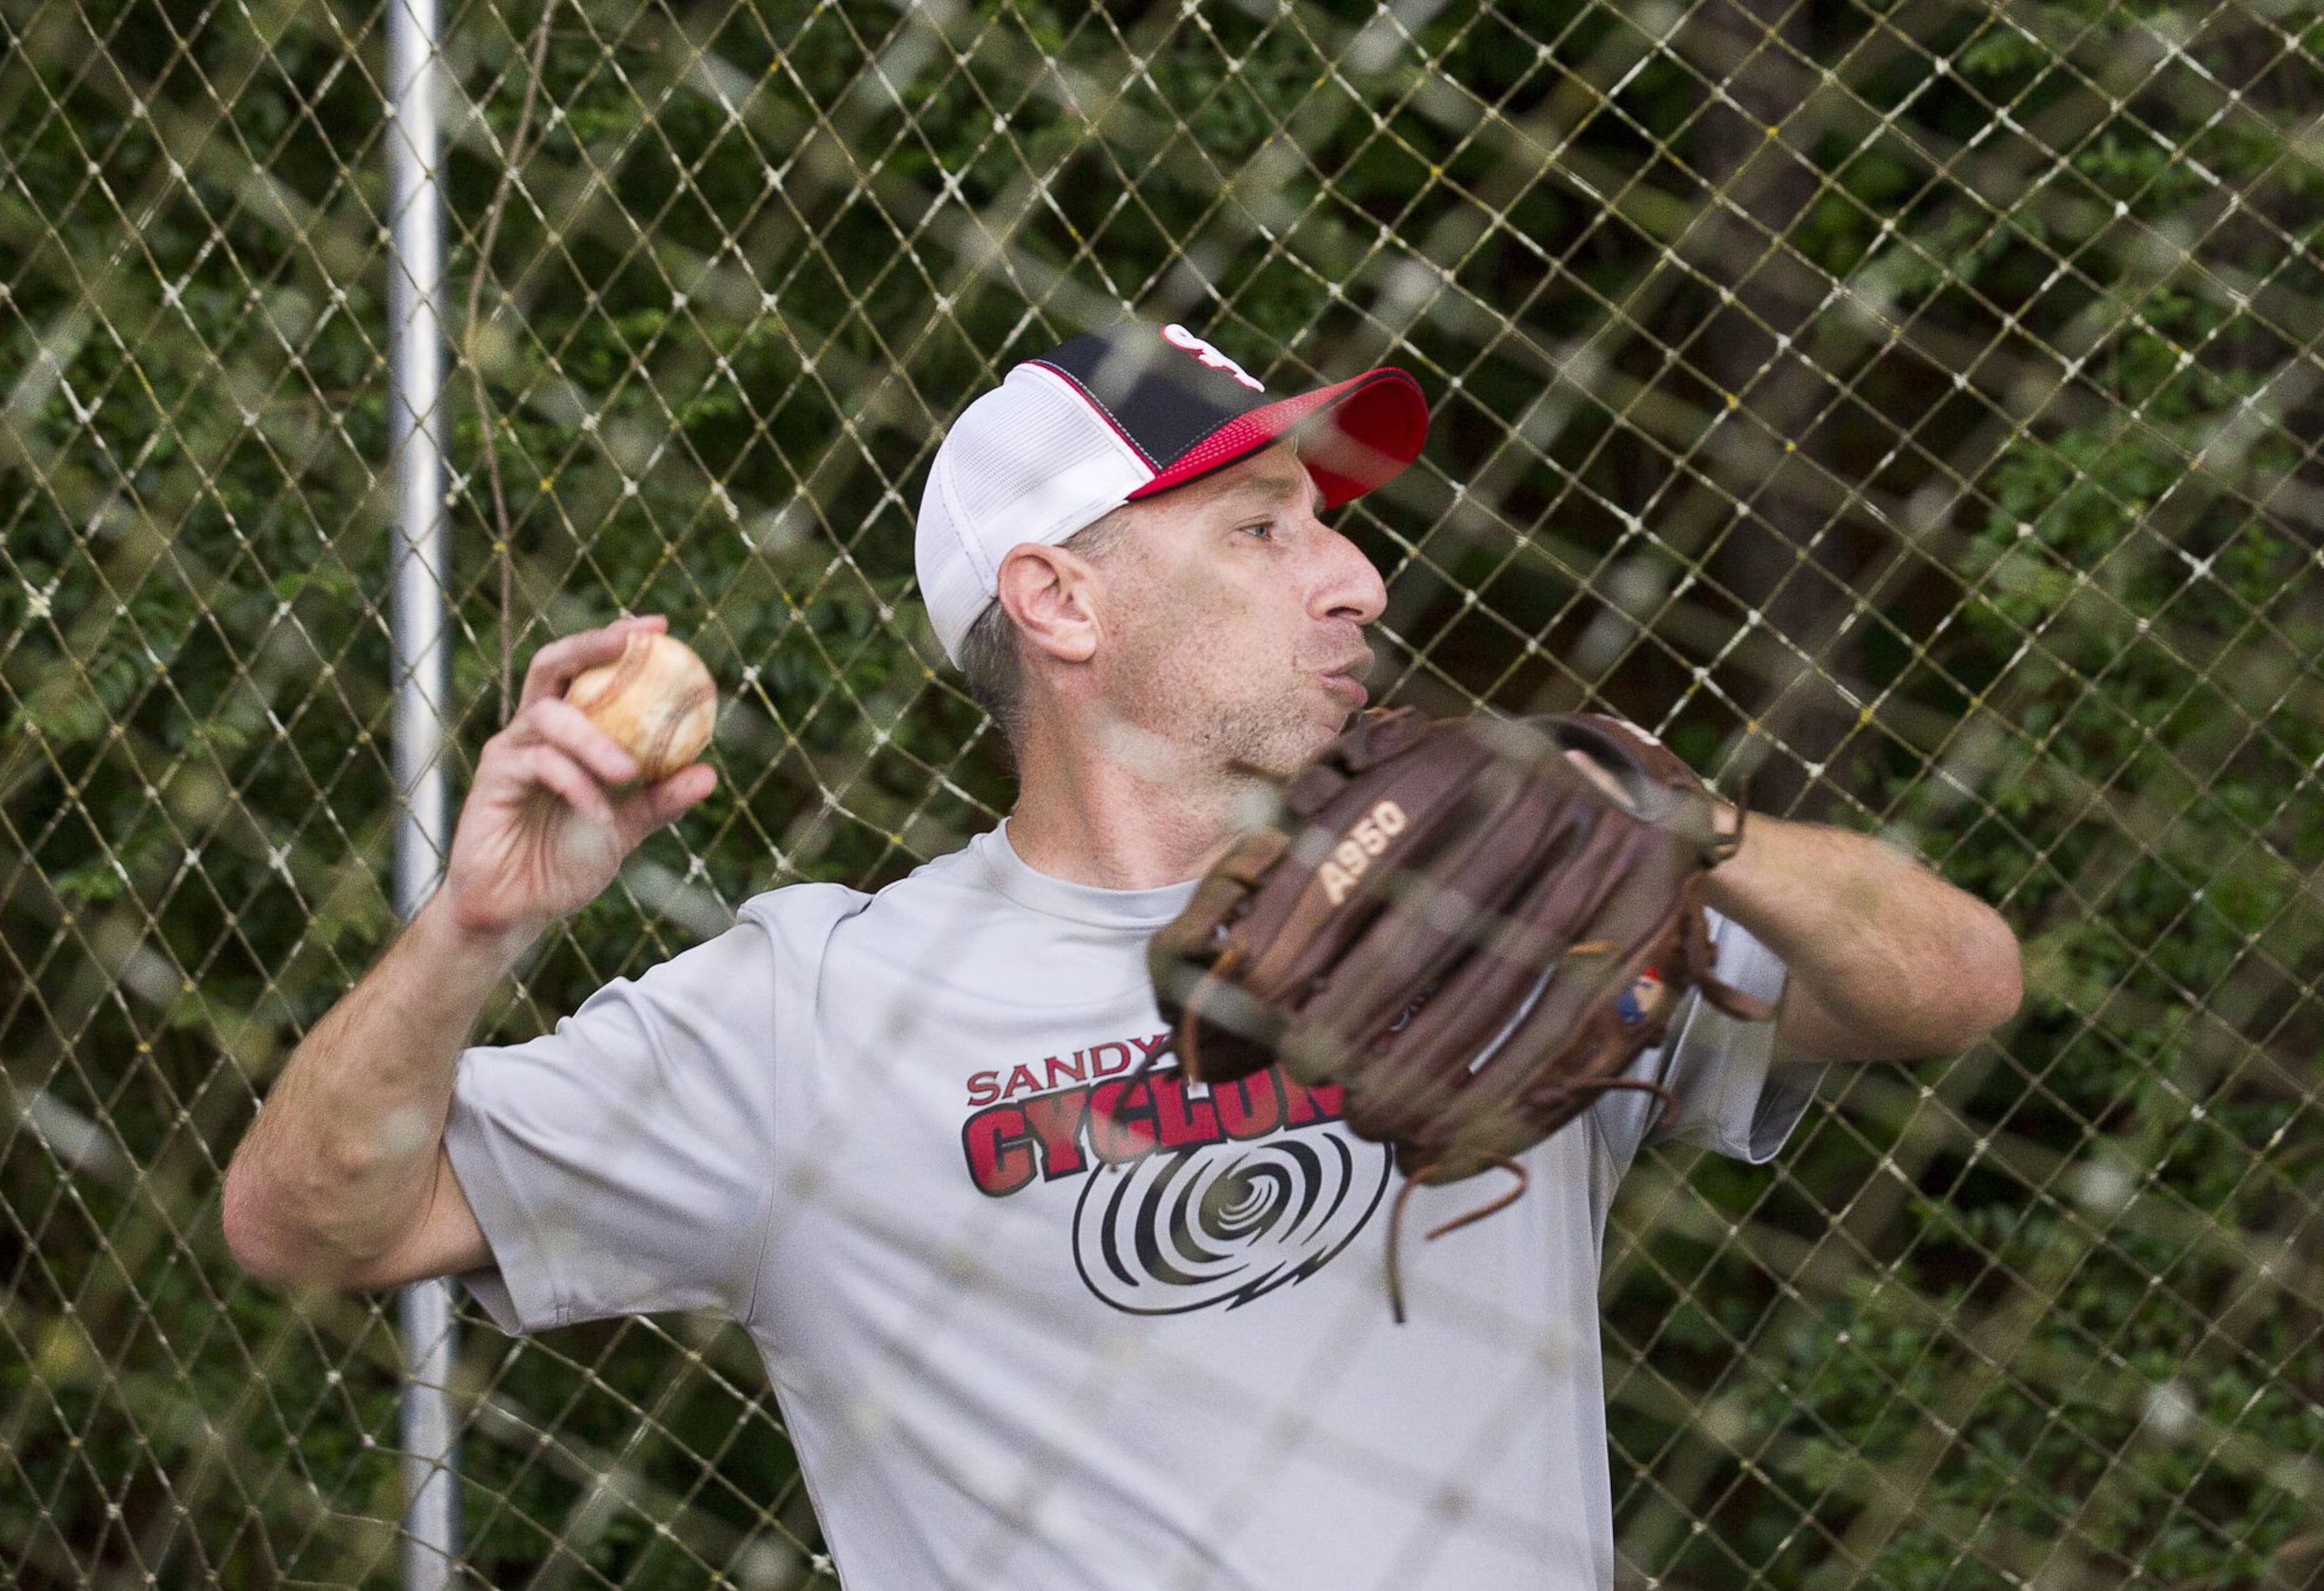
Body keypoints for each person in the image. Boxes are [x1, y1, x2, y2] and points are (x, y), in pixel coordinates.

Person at [223, 321, 2022, 1589]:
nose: (1355, 583)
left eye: (1332, 527)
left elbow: (1956, 988)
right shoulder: (814, 1013)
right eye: (1259, 531)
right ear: (1059, 600)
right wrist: (471, 934)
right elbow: (307, 1226)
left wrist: (1679, 824)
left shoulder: (1505, 893)